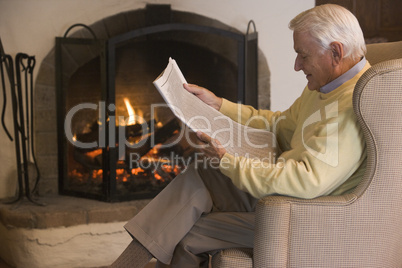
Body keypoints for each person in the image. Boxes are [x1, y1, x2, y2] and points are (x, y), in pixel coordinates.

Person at [110, 4, 370, 267]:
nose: (296, 65)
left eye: (303, 55)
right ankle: (128, 262)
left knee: (187, 233)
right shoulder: (326, 86)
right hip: (282, 199)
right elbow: (281, 124)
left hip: (300, 217)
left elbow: (305, 182)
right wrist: (219, 105)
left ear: (335, 52)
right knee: (204, 171)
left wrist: (229, 161)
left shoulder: (351, 106)